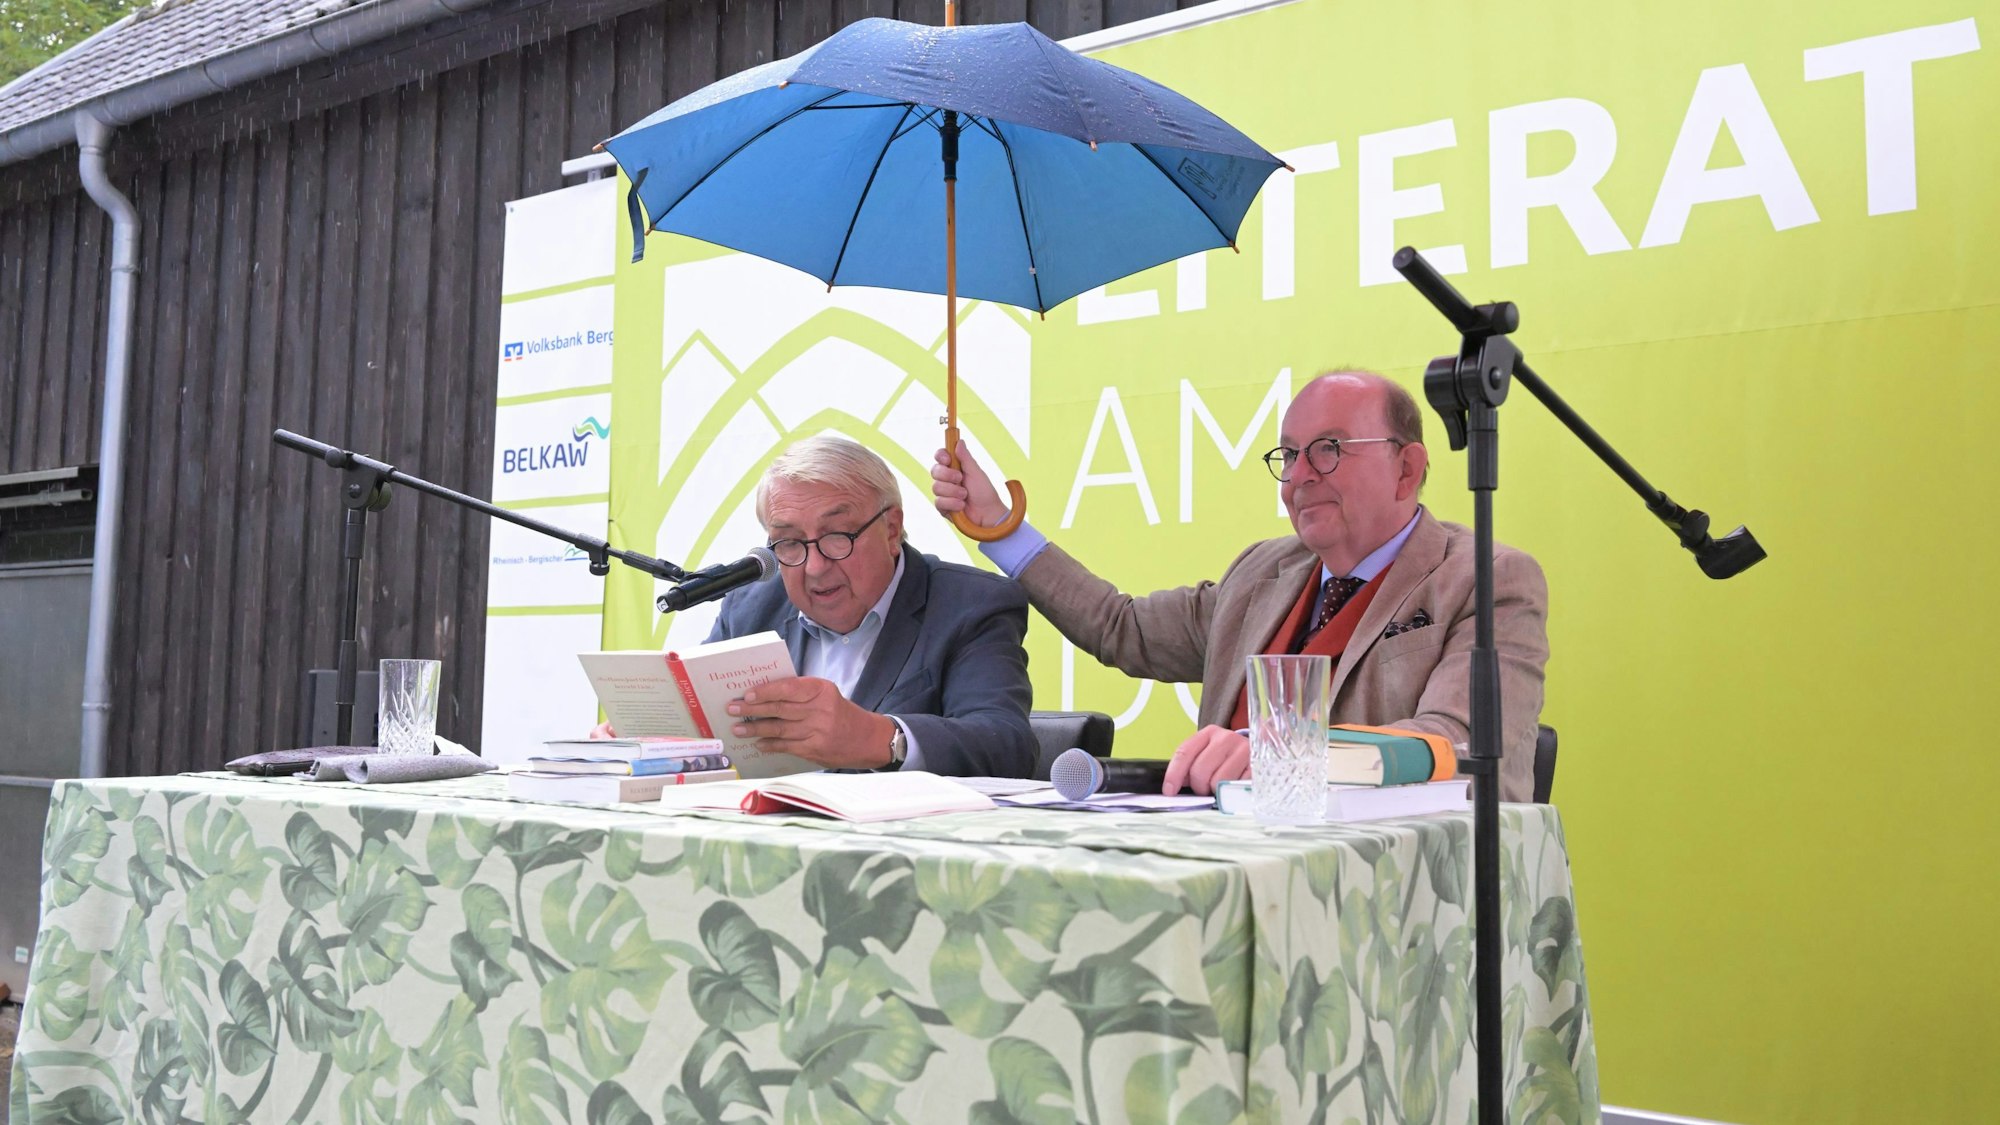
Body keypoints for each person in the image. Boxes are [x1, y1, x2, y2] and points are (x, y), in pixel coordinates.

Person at [932, 370, 1549, 801]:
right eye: (1288, 455)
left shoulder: (1485, 580)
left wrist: (1276, 750)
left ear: (1406, 468)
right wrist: (997, 527)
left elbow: (1453, 741)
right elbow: (1120, 627)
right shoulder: (1261, 573)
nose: (1300, 475)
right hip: (1235, 871)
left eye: (1328, 450)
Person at [598, 435, 1037, 778]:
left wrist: (881, 739)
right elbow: (706, 733)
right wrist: (653, 740)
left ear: (891, 529)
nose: (814, 567)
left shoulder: (971, 605)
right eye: (789, 542)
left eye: (836, 537)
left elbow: (1007, 748)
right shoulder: (750, 607)